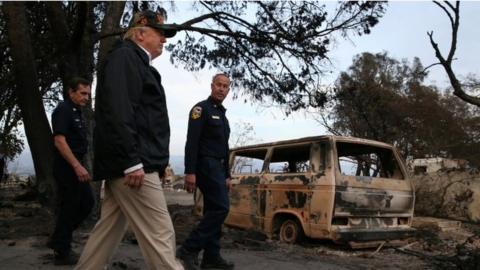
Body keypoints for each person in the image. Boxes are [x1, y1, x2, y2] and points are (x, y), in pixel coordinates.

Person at [74, 10, 183, 270]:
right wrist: (132, 160)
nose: (164, 40)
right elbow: (118, 109)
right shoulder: (126, 57)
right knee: (161, 234)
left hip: (128, 163)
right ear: (141, 32)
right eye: (160, 34)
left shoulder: (136, 62)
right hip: (135, 166)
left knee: (107, 233)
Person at [177, 73, 234, 270]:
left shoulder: (223, 116)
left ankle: (211, 256)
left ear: (228, 90)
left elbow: (224, 149)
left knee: (213, 209)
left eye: (225, 86)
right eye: (218, 85)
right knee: (221, 207)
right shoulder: (201, 109)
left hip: (218, 167)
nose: (221, 88)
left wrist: (227, 175)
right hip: (205, 164)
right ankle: (189, 248)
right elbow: (191, 142)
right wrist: (189, 171)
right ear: (212, 86)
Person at [48, 77, 95, 265]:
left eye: (88, 95)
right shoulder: (63, 110)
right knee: (71, 206)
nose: (86, 98)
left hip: (75, 165)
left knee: (86, 203)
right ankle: (62, 251)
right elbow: (59, 141)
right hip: (67, 166)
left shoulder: (77, 112)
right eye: (83, 93)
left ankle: (59, 238)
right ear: (71, 91)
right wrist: (76, 166)